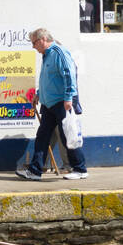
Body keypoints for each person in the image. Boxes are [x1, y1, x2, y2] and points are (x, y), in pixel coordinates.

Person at [17, 28, 88, 180]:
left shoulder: (58, 52)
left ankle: (80, 169)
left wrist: (69, 98)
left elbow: (69, 75)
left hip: (61, 102)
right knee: (42, 136)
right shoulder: (46, 55)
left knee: (67, 136)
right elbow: (48, 80)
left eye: (34, 43)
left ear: (42, 40)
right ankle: (35, 171)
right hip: (48, 104)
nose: (33, 46)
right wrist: (38, 95)